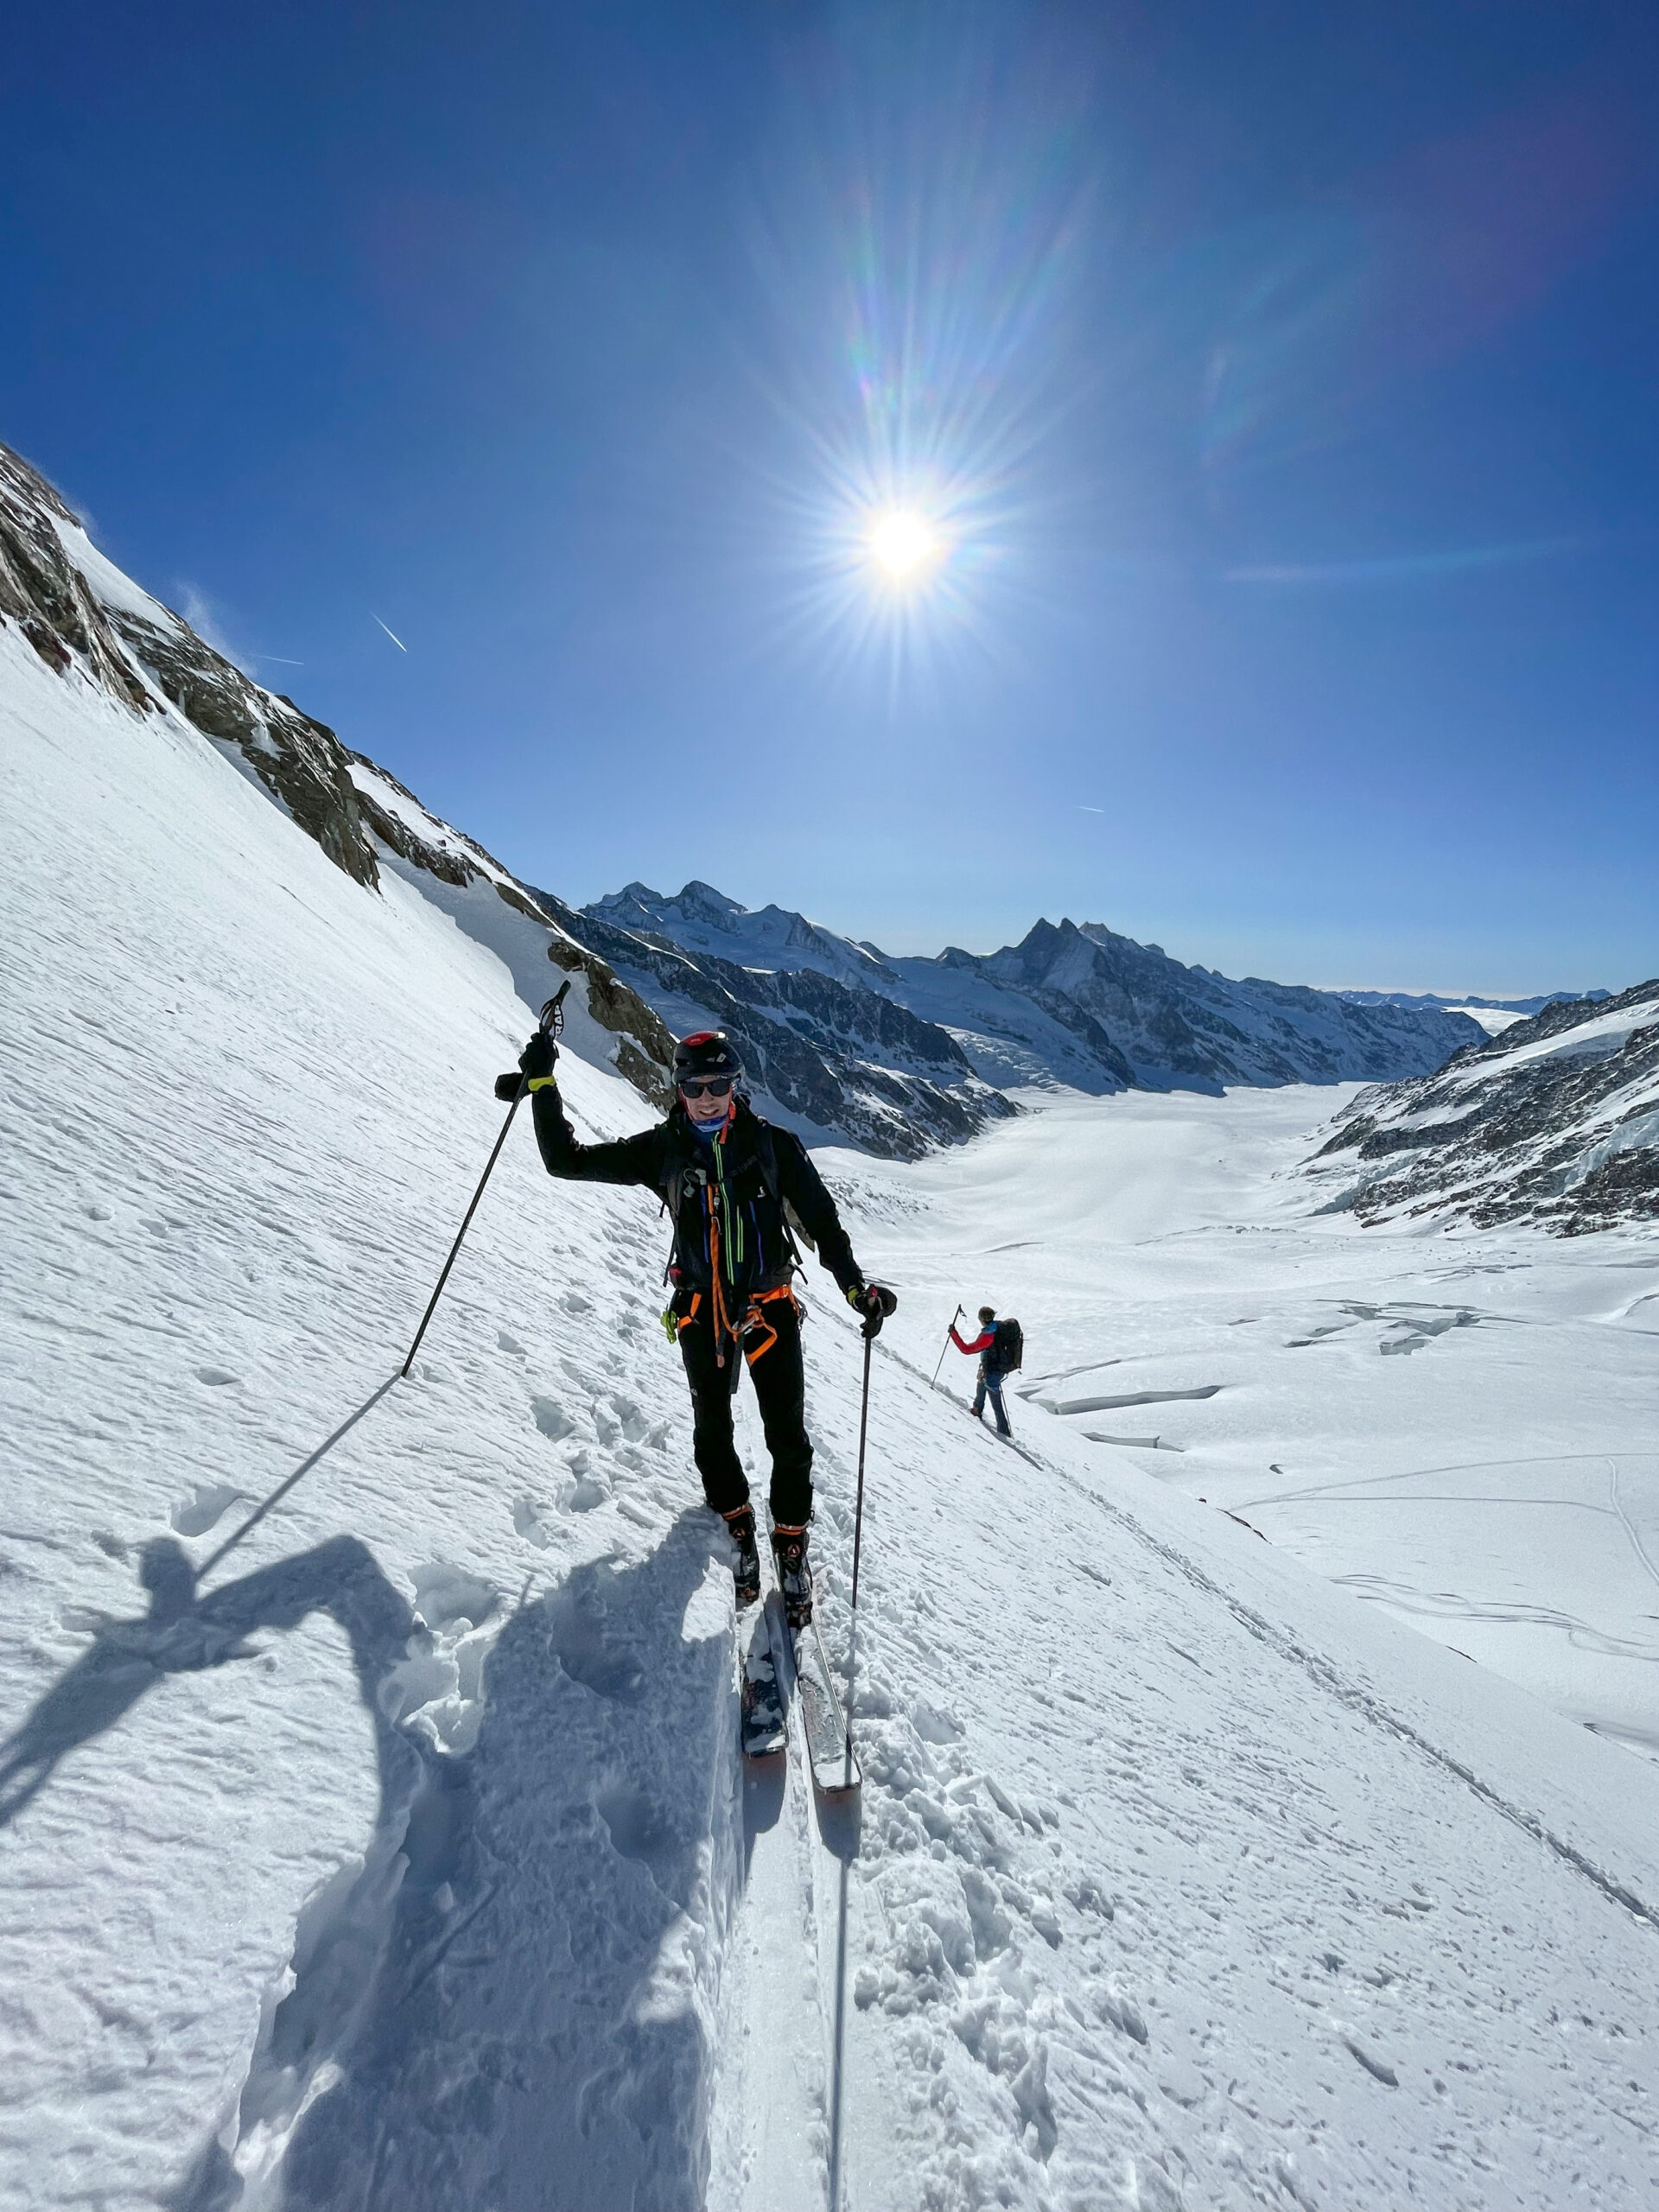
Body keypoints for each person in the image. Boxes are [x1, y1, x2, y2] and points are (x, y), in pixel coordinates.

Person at [506, 1025, 896, 1624]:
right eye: (695, 1085)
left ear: (736, 1085)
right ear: (680, 1088)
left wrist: (854, 1286)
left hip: (769, 1309)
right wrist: (541, 1085)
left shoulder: (774, 1147)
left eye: (719, 1084)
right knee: (711, 1432)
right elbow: (566, 1162)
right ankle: (737, 1528)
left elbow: (823, 1224)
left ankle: (790, 1545)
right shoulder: (664, 1148)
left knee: (787, 1437)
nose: (708, 1096)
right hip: (700, 1310)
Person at [950, 1306, 1012, 1436]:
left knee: (996, 1402)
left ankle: (1004, 1432)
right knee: (981, 1382)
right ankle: (977, 1410)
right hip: (996, 1368)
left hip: (993, 1370)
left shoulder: (988, 1336)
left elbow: (966, 1349)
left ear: (981, 1319)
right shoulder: (998, 1327)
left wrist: (953, 1334)